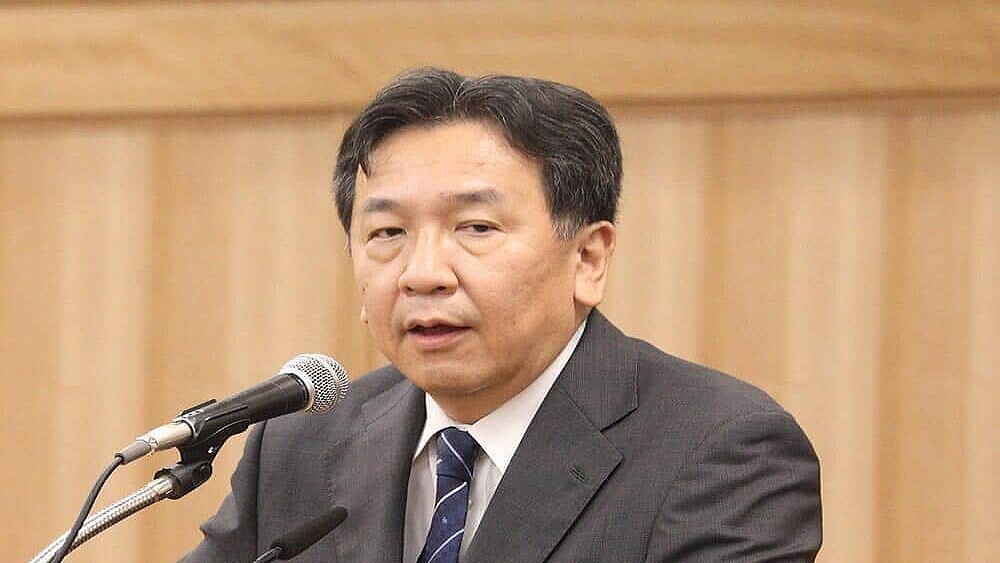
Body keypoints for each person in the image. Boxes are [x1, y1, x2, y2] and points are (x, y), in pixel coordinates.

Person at [183, 68, 822, 562]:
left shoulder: (719, 451)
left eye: (476, 227)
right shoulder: (299, 444)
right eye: (387, 233)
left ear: (588, 258)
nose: (422, 273)